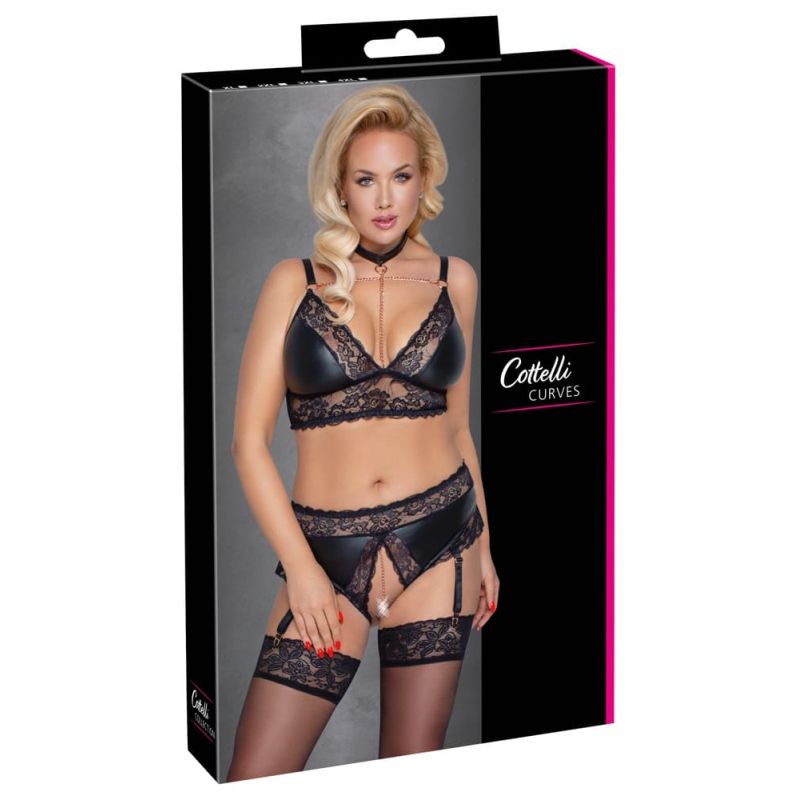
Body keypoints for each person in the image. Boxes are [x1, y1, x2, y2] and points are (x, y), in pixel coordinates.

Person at [226, 84, 499, 781]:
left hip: (442, 543)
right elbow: (248, 443)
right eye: (366, 179)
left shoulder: (455, 281)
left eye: (400, 176)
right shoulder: (293, 282)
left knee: (408, 775)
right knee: (256, 777)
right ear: (340, 188)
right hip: (325, 552)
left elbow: (458, 429)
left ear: (423, 181)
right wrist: (304, 573)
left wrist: (487, 549)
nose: (384, 199)